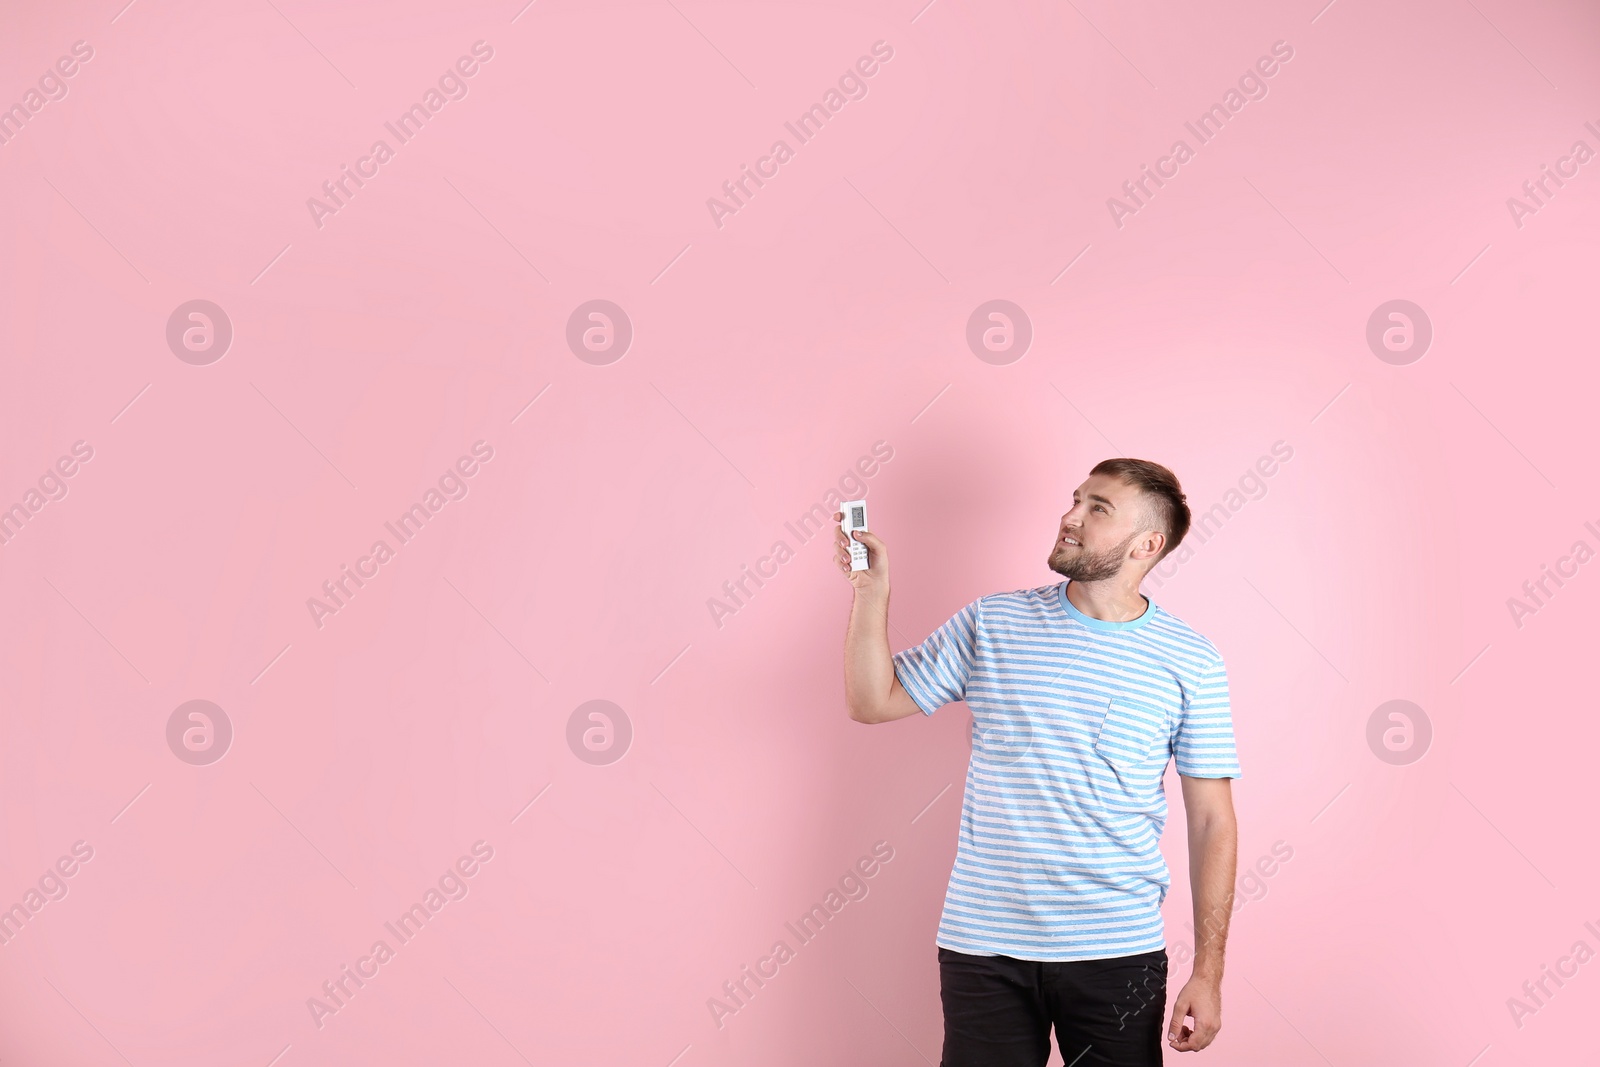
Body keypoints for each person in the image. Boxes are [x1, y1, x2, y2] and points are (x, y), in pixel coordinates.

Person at [835, 458, 1241, 1065]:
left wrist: (1208, 973)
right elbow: (873, 701)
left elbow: (1212, 821)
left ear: (1147, 544)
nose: (1069, 516)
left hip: (1117, 949)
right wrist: (872, 594)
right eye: (1075, 499)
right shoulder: (994, 621)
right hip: (983, 945)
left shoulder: (1192, 661)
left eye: (1097, 508)